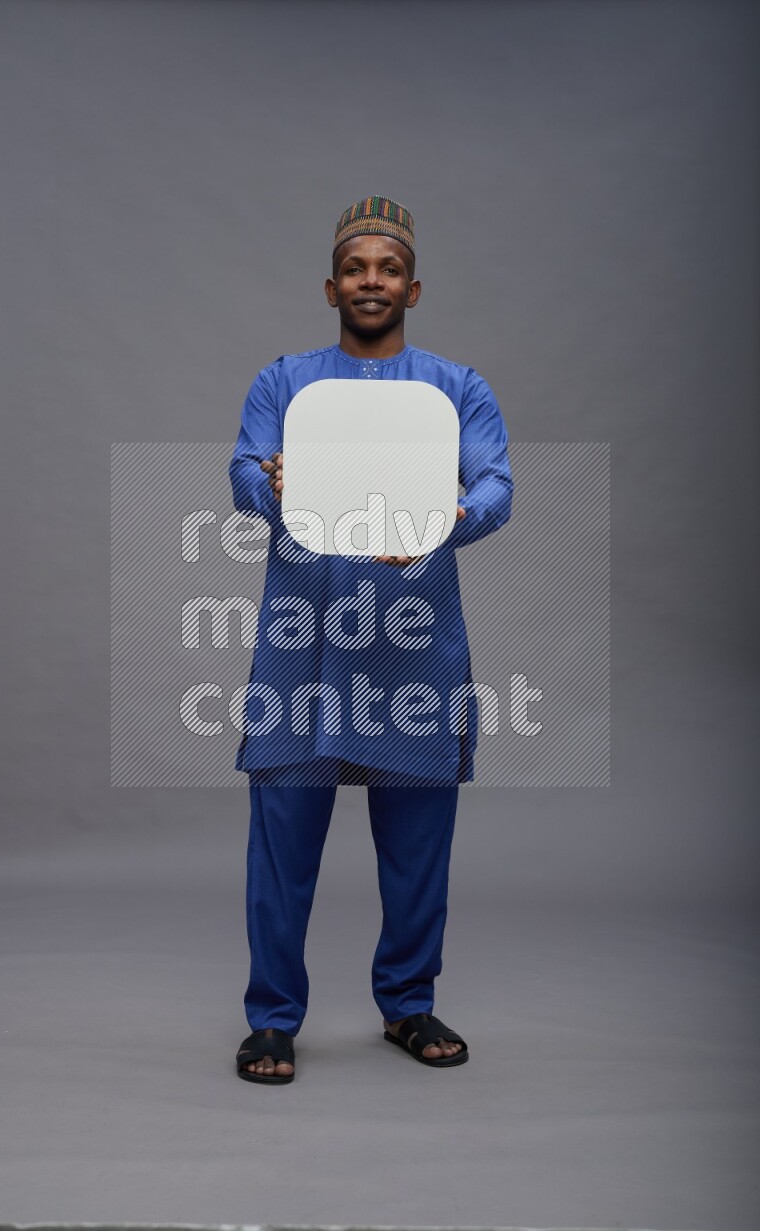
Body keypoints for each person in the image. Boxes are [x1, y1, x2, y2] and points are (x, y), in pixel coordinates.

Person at [229, 196, 513, 1084]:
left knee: (419, 842)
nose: (371, 281)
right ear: (330, 286)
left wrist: (449, 517)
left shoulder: (456, 388)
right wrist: (272, 481)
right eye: (356, 268)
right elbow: (244, 471)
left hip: (413, 644)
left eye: (387, 269)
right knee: (282, 842)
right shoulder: (286, 382)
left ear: (413, 287)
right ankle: (272, 1018)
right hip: (302, 643)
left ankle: (409, 1003)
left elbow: (497, 484)